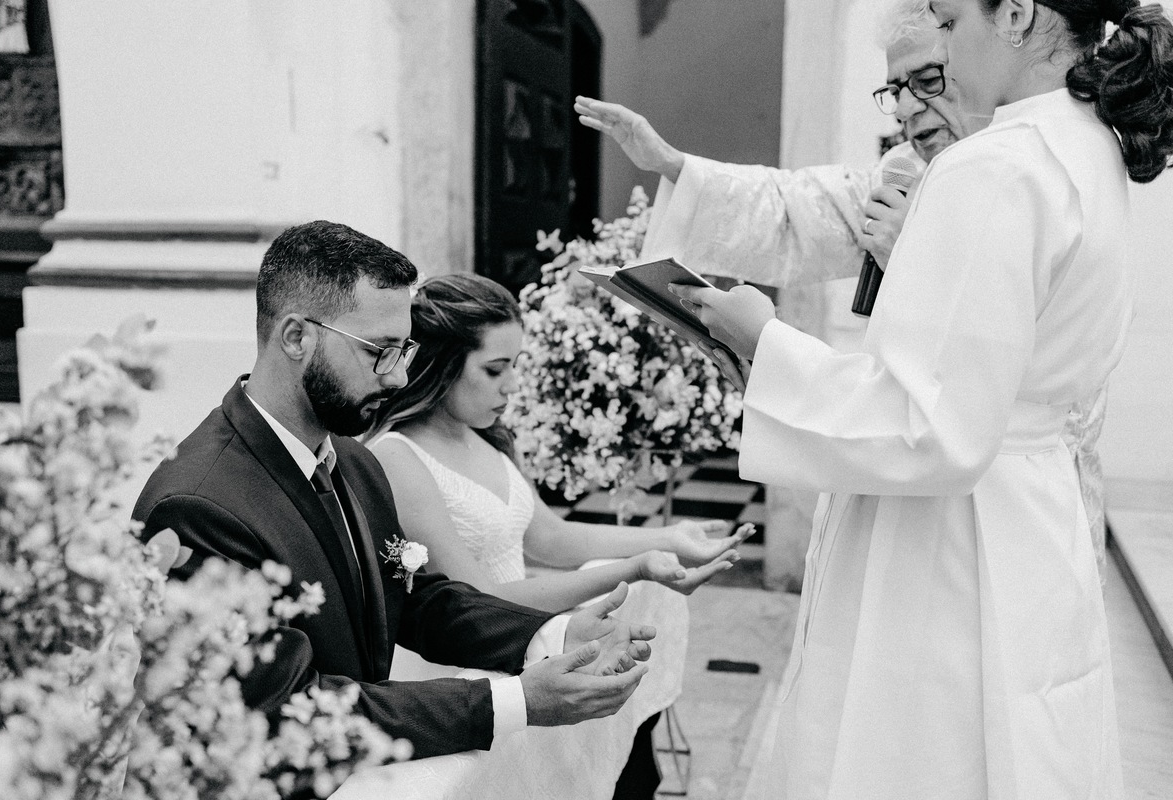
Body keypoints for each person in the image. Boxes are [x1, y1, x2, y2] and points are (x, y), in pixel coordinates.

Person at [665, 1, 1173, 797]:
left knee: (914, 751)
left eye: (946, 15)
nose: (943, 36)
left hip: (947, 533)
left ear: (1013, 15)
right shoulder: (1088, 149)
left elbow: (926, 422)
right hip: (1031, 515)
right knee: (1018, 744)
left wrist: (764, 339)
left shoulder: (997, 164)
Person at [574, 0, 1109, 560]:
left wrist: (918, 259)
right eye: (894, 89)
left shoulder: (1024, 173)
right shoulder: (907, 171)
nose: (905, 108)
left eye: (926, 79)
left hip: (1001, 508)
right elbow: (793, 211)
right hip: (900, 480)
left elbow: (986, 379)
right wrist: (673, 165)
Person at [133, 220, 658, 761]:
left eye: (403, 351)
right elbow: (284, 705)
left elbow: (416, 601)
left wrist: (552, 637)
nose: (398, 379)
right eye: (378, 351)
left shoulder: (355, 463)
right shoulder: (197, 507)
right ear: (296, 337)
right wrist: (515, 701)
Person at [363, 273, 752, 798]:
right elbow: (480, 598)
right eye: (495, 369)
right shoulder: (396, 455)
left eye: (516, 366)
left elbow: (550, 538)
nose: (510, 385)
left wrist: (668, 537)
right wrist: (635, 567)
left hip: (525, 646)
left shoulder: (491, 436)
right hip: (465, 667)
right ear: (443, 366)